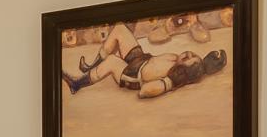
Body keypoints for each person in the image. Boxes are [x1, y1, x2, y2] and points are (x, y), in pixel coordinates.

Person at [62, 21, 227, 98]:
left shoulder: (173, 78)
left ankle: (77, 84)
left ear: (187, 70)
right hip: (140, 59)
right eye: (193, 53)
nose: (189, 53)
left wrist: (154, 87)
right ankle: (92, 66)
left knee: (112, 61)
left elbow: (145, 91)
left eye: (191, 59)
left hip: (133, 74)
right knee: (120, 28)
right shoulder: (176, 60)